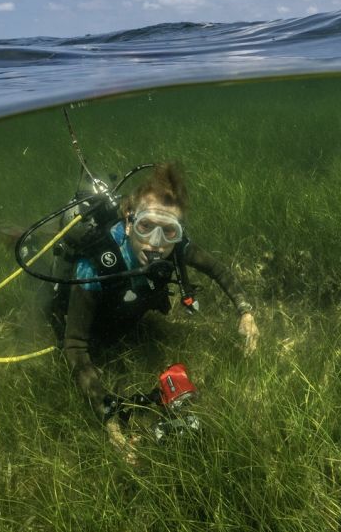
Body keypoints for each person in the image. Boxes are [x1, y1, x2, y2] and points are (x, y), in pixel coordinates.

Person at [42, 162, 259, 450]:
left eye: (169, 231)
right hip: (96, 324)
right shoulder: (93, 265)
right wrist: (108, 417)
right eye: (146, 227)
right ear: (129, 221)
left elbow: (219, 270)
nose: (155, 244)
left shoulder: (177, 247)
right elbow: (75, 344)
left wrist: (245, 312)